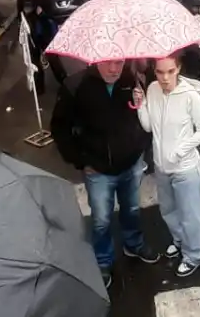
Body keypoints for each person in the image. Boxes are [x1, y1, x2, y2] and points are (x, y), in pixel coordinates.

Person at [52, 60, 160, 288]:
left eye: (119, 62)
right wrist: (80, 161)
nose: (114, 69)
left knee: (132, 209)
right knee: (101, 219)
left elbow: (141, 118)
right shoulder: (75, 86)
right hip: (98, 170)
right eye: (108, 63)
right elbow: (60, 128)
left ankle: (133, 243)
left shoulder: (130, 80)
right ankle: (103, 260)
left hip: (130, 163)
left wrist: (141, 141)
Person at [136, 54, 200, 277]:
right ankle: (180, 241)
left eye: (170, 71)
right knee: (168, 210)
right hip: (161, 166)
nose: (165, 77)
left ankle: (195, 254)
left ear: (178, 68)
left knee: (191, 214)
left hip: (185, 167)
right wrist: (141, 106)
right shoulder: (152, 89)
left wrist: (181, 150)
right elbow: (149, 127)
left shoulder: (189, 95)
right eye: (160, 72)